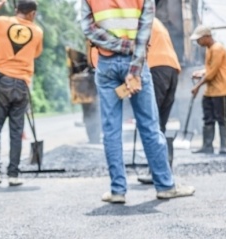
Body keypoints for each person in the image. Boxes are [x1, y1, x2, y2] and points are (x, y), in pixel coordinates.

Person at [81, 0, 195, 203]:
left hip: (106, 63)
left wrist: (116, 45)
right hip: (135, 60)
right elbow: (144, 33)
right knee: (150, 126)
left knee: (111, 130)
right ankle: (165, 186)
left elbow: (88, 28)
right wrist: (134, 70)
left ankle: (117, 191)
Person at [0, 0, 43, 187]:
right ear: (32, 14)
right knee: (16, 132)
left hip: (2, 82)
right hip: (22, 84)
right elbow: (36, 54)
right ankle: (13, 175)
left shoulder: (2, 23)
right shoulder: (38, 32)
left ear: (16, 10)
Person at [138, 17, 181, 184]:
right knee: (160, 122)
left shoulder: (140, 20)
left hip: (156, 68)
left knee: (152, 123)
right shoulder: (157, 22)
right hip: (172, 69)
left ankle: (156, 171)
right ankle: (164, 170)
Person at [190, 25, 226, 155]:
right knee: (208, 117)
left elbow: (212, 73)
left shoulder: (217, 48)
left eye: (199, 39)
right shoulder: (209, 49)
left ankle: (223, 146)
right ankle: (207, 145)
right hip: (211, 90)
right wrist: (201, 72)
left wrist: (197, 86)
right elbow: (210, 69)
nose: (198, 42)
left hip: (221, 89)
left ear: (206, 37)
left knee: (221, 118)